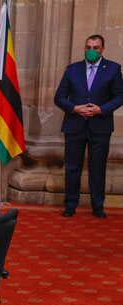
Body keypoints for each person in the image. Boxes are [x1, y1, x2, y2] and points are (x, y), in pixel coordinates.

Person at [54, 34, 123, 219]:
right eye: (88, 47)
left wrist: (101, 110)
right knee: (72, 167)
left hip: (100, 127)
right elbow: (59, 97)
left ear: (102, 49)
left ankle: (98, 206)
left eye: (95, 48)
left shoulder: (113, 69)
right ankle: (70, 205)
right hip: (74, 125)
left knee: (97, 168)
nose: (91, 51)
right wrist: (74, 108)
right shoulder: (72, 69)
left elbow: (119, 97)